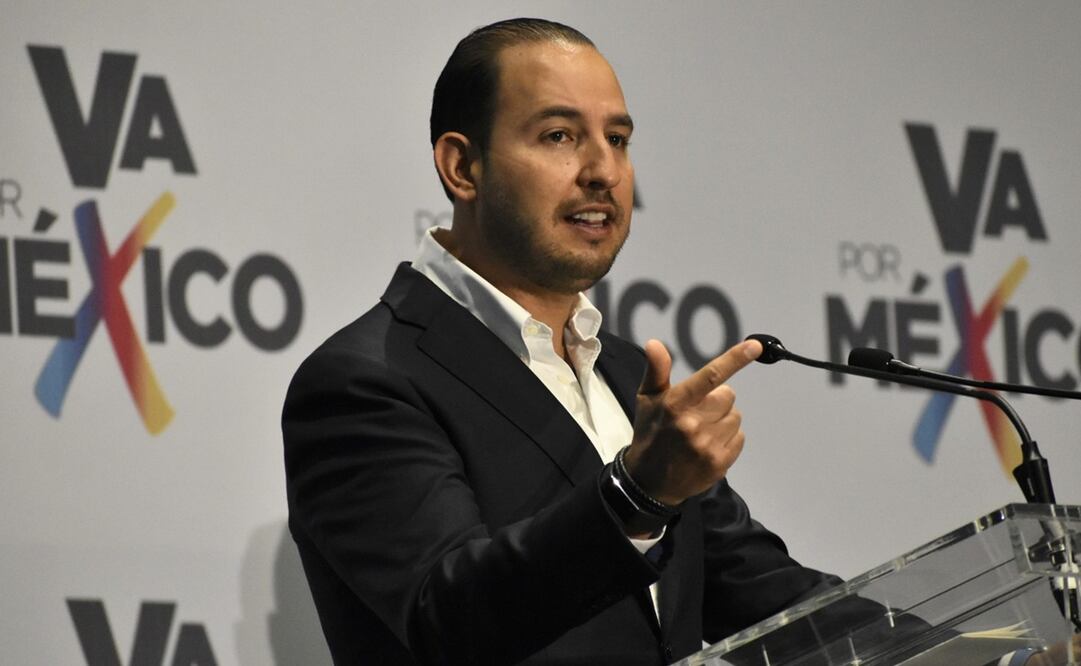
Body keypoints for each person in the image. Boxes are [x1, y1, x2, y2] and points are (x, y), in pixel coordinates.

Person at [283, 18, 841, 665]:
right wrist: (637, 495)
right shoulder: (366, 380)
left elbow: (761, 593)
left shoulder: (626, 372)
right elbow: (447, 618)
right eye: (559, 136)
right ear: (462, 166)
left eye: (618, 138)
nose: (603, 170)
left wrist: (962, 649)